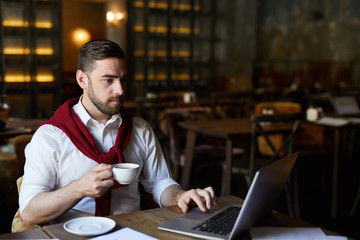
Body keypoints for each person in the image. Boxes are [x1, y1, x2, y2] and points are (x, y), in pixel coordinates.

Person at [19, 39, 217, 225]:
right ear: (82, 80)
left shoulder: (140, 129)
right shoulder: (51, 136)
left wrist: (179, 196)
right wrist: (78, 189)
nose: (120, 90)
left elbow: (160, 182)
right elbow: (28, 211)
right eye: (108, 80)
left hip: (135, 231)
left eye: (123, 80)